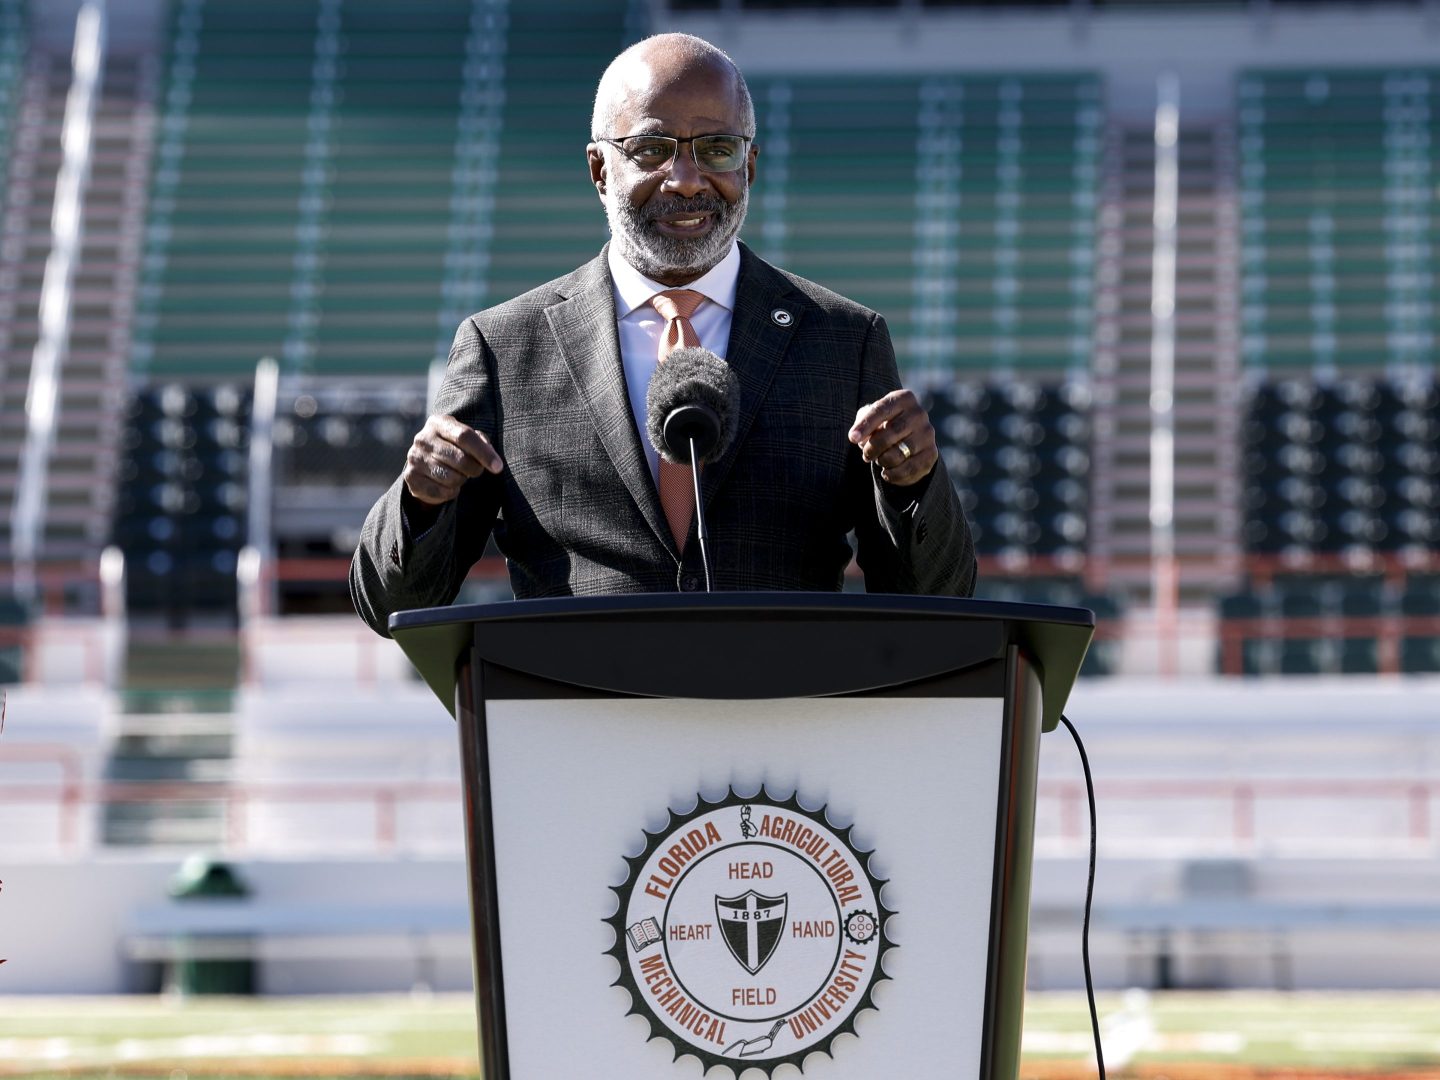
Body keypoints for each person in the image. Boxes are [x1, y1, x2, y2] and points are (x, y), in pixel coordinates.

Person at [350, 32, 974, 636]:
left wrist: (914, 483)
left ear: (751, 164)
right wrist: (421, 499)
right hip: (577, 722)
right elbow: (393, 604)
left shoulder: (844, 340)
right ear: (599, 168)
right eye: (652, 149)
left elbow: (936, 600)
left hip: (781, 722)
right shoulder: (504, 348)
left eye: (717, 148)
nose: (686, 178)